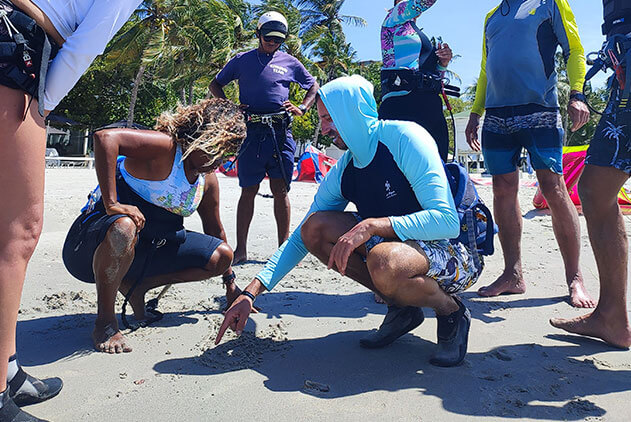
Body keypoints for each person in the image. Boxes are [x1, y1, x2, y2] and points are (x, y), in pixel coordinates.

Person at [215, 75, 485, 367]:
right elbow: (301, 238)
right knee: (315, 228)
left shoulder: (405, 138)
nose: (326, 128)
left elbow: (446, 222)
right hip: (401, 252)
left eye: (330, 118)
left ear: (353, 112)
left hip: (455, 254)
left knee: (383, 260)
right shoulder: (346, 168)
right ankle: (402, 308)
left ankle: (451, 312)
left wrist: (373, 226)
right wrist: (250, 293)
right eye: (323, 119)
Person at [0, 1, 141, 421]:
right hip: (12, 41)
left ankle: (8, 371)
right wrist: (42, 105)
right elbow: (86, 46)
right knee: (17, 231)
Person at [62, 98, 249, 355]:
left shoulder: (208, 181)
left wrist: (230, 284)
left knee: (222, 255)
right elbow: (105, 138)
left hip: (149, 249)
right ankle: (104, 323)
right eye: (216, 150)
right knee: (124, 227)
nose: (220, 160)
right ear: (202, 137)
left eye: (226, 154)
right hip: (91, 245)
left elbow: (214, 230)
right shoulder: (166, 148)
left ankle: (140, 286)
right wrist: (112, 203)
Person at [465, 0, 596, 308]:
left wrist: (576, 93)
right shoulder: (492, 16)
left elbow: (574, 50)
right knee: (502, 190)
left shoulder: (550, 3)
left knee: (553, 188)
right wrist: (474, 112)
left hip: (540, 108)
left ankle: (575, 278)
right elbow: (486, 69)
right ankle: (513, 274)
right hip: (497, 114)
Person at [550, 0, 631, 348]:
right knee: (596, 190)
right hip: (623, 62)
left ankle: (612, 315)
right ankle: (612, 315)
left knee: (596, 189)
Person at [208, 11, 319, 265]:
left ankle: (283, 251)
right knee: (248, 191)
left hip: (280, 133)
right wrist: (229, 106)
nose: (272, 43)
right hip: (252, 133)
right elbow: (216, 84)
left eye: (278, 40)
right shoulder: (242, 60)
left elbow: (312, 86)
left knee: (280, 191)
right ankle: (242, 250)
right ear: (258, 34)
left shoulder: (290, 62)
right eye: (268, 38)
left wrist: (303, 107)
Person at [379, 0, 453, 162]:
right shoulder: (393, 18)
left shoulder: (417, 33)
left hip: (428, 108)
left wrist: (442, 65)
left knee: (437, 170)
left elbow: (435, 79)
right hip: (402, 106)